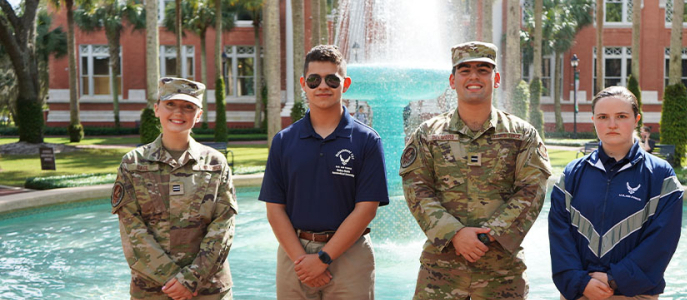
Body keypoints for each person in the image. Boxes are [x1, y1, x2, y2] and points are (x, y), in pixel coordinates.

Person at [399, 41, 552, 299]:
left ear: (496, 79)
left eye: (483, 69)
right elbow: (417, 190)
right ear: (452, 80)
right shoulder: (428, 134)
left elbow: (532, 192)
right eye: (465, 70)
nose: (474, 76)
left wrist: (488, 235)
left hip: (501, 271)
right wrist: (456, 234)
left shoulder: (521, 134)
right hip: (442, 270)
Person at [259, 45, 389, 299]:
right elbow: (275, 209)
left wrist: (323, 258)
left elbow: (366, 209)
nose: (323, 86)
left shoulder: (367, 141)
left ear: (345, 83)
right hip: (294, 254)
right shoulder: (284, 140)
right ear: (303, 84)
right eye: (314, 79)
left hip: (350, 254)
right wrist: (303, 261)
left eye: (332, 79)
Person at [548, 86, 683, 300]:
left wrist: (614, 279)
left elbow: (662, 240)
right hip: (581, 292)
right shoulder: (572, 174)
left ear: (636, 119)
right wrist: (581, 282)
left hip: (634, 293)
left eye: (621, 116)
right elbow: (559, 235)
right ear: (593, 120)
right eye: (603, 117)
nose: (612, 124)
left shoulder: (661, 175)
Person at [111, 77, 237, 300]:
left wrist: (190, 280)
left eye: (188, 107)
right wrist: (173, 280)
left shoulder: (216, 163)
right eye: (171, 104)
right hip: (153, 290)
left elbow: (223, 227)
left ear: (198, 115)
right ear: (157, 108)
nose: (178, 113)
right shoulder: (133, 164)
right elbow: (132, 230)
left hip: (208, 290)